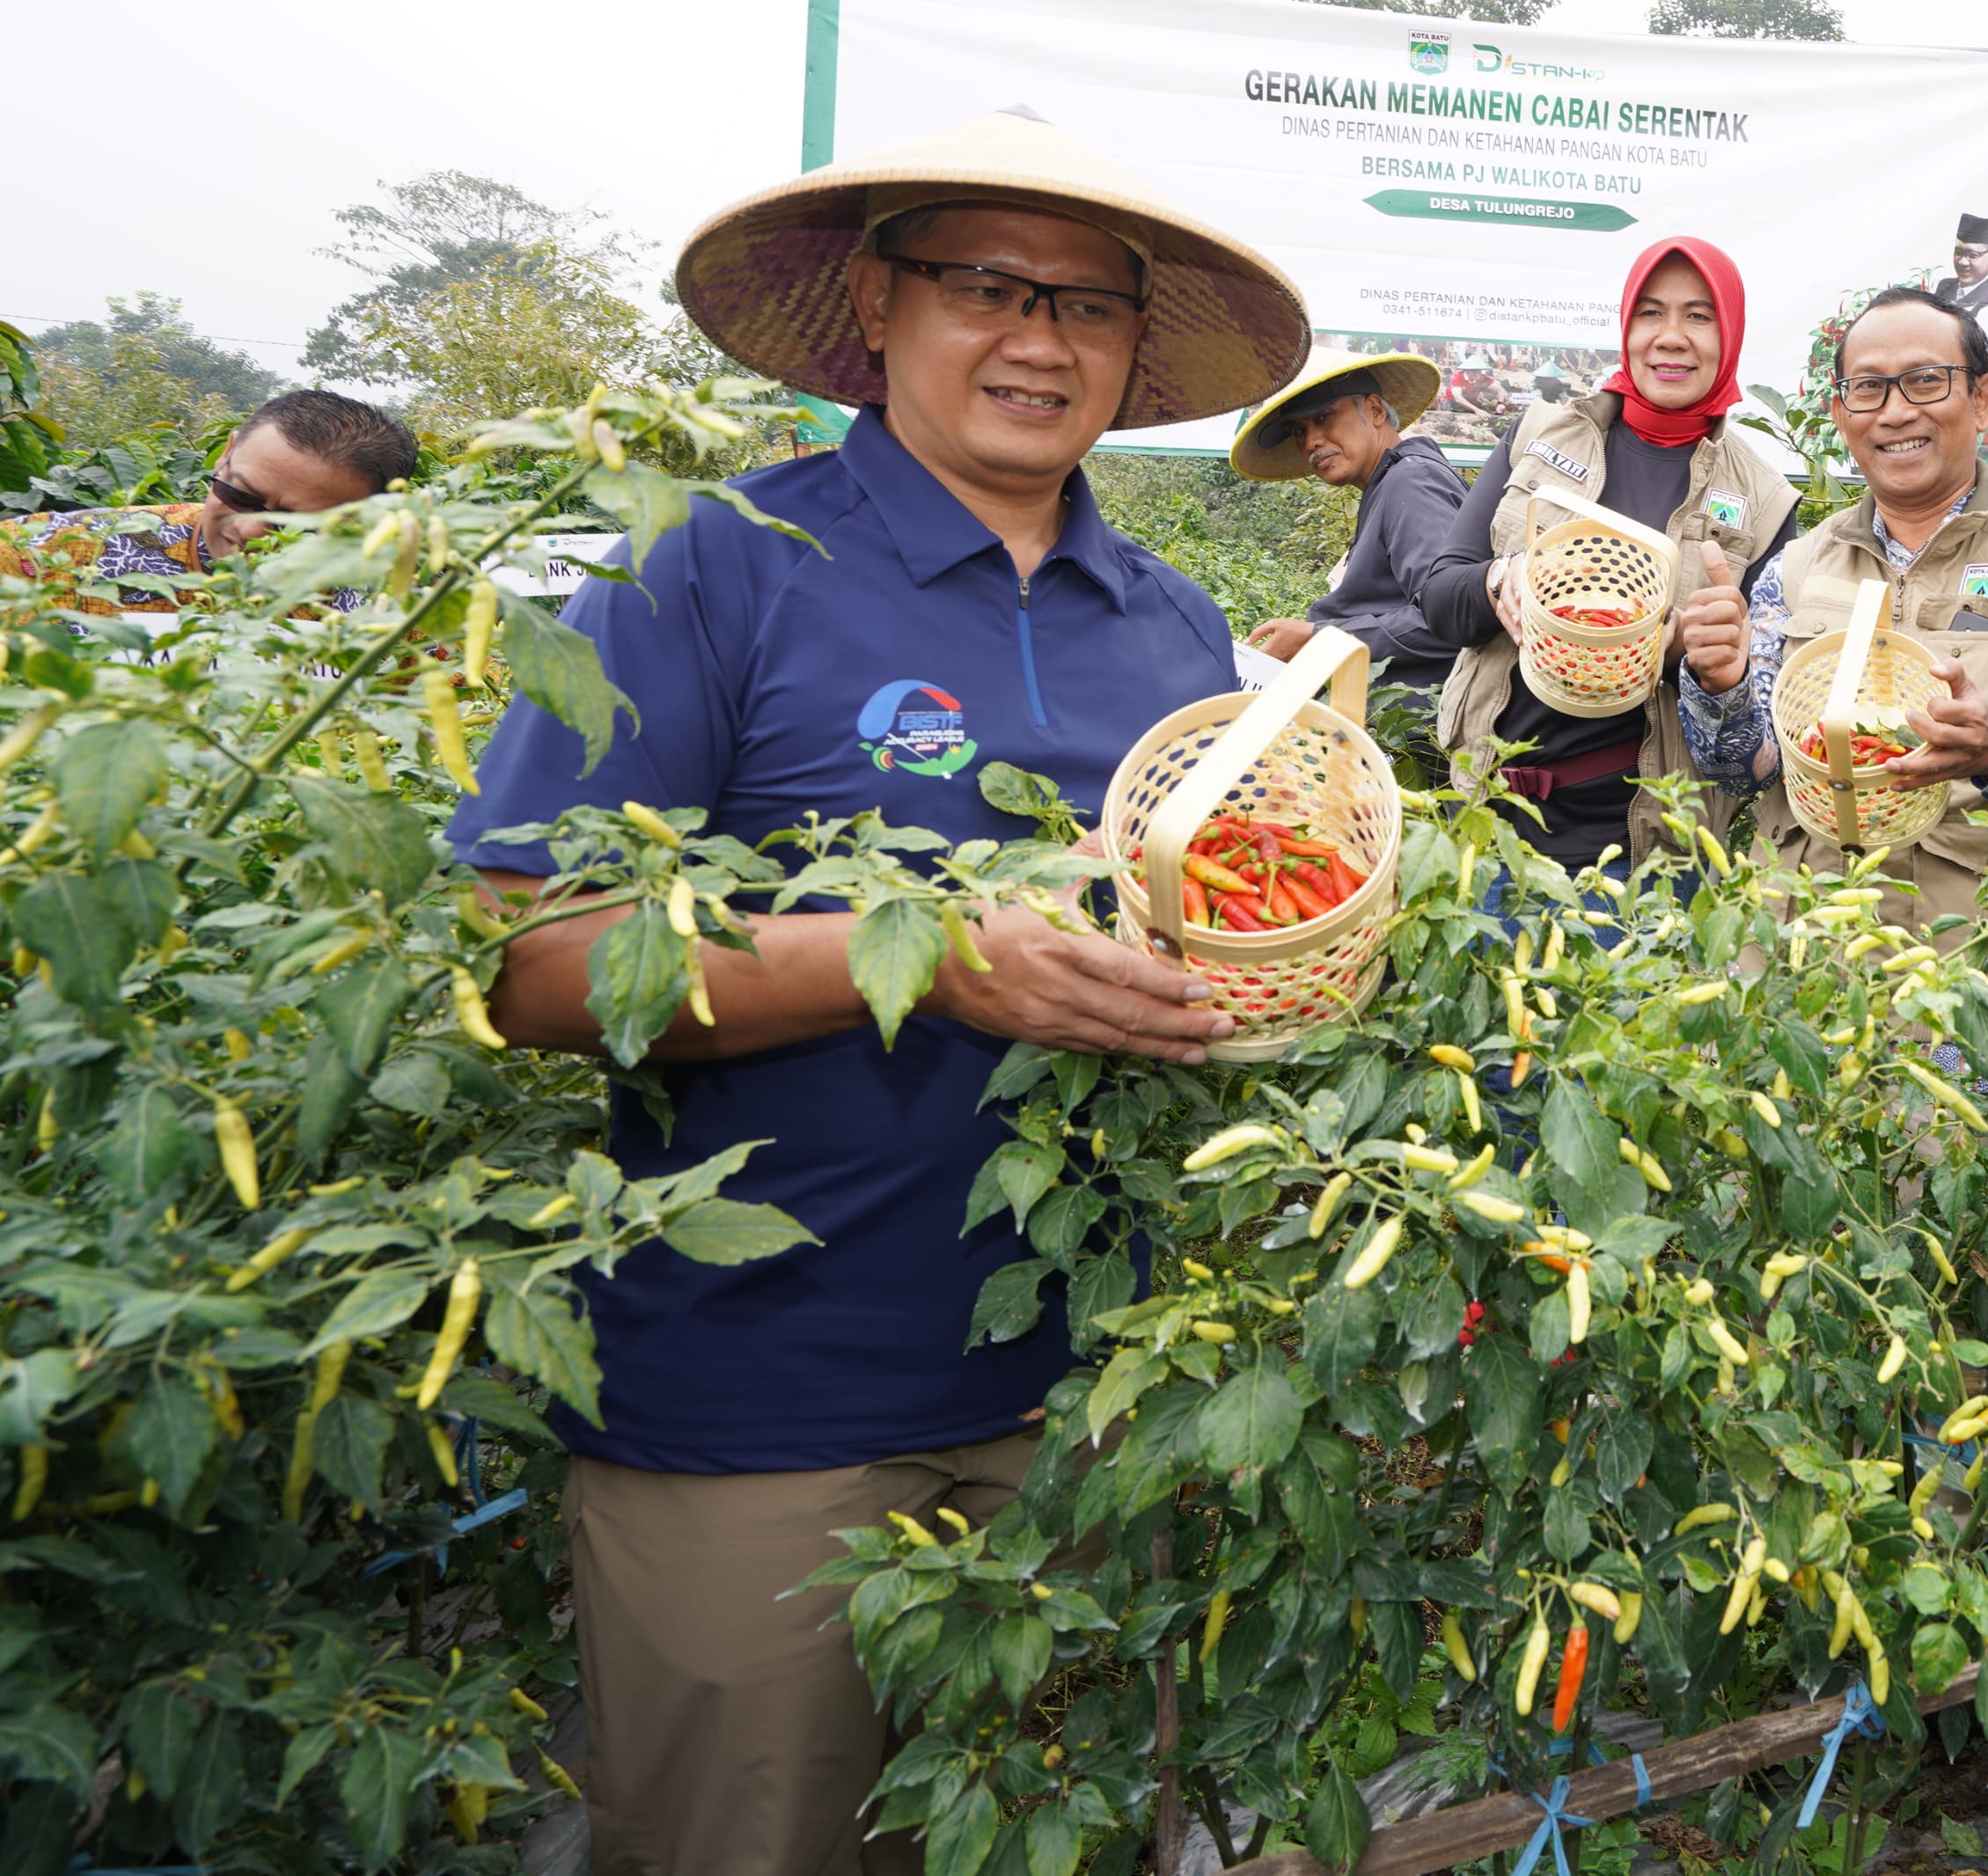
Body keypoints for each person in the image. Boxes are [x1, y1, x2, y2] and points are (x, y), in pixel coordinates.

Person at [451, 109, 1304, 1876]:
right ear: (876, 306)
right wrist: (925, 960)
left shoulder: (1168, 623)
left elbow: (1227, 927)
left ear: (1135, 348)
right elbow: (538, 963)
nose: (1036, 337)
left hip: (1087, 1403)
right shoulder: (702, 566)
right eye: (982, 284)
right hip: (760, 1403)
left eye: (1085, 302)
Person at [1684, 288, 1988, 938]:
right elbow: (1744, 768)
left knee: (1951, 1052)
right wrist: (1720, 687)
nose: (1896, 412)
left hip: (1975, 958)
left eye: (1926, 381)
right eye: (1868, 388)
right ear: (1841, 414)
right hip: (1806, 950)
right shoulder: (1795, 567)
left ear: (1984, 398)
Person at [1416, 238, 1799, 873]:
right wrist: (1499, 581)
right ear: (1627, 325)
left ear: (1729, 334)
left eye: (1699, 316)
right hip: (1484, 829)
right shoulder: (1540, 437)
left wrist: (1706, 665)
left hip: (1646, 861)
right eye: (1651, 312)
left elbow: (1751, 753)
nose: (1671, 336)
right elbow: (1439, 596)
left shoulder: (1763, 501)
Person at [2, 385, 415, 612]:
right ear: (226, 454)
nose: (252, 530)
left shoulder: (383, 617)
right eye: (239, 494)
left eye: (300, 527)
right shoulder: (36, 557)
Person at [1229, 348, 1465, 693]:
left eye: (1324, 418)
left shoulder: (1412, 482)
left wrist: (1318, 640)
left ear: (1373, 410)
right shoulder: (1388, 485)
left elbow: (1451, 618)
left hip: (1418, 734)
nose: (1312, 441)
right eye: (1299, 430)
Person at [1934, 213, 1988, 364]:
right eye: (1958, 252)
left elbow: (1959, 357)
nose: (1963, 262)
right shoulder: (1945, 286)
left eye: (1972, 255)